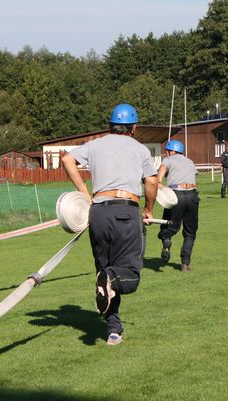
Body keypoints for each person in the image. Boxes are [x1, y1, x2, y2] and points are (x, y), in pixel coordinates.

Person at [61, 103, 157, 346]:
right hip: (126, 211)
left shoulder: (95, 145)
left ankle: (114, 329)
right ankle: (112, 281)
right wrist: (148, 210)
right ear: (133, 128)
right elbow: (152, 182)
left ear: (111, 125)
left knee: (104, 275)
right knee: (130, 275)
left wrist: (84, 192)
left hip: (99, 214)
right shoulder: (140, 149)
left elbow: (67, 159)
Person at [157, 140, 200, 272]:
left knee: (169, 225)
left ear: (171, 151)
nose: (166, 154)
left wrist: (158, 181)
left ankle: (166, 238)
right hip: (192, 195)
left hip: (176, 195)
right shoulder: (190, 161)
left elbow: (163, 169)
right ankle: (185, 264)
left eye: (166, 151)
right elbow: (194, 174)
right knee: (190, 232)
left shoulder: (168, 160)